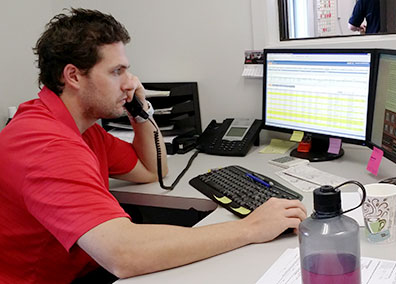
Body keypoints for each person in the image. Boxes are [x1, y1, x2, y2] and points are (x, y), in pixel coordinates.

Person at [0, 8, 307, 284]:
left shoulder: (82, 129)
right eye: (116, 71)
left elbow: (151, 170)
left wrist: (140, 111)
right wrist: (250, 229)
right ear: (73, 76)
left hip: (84, 265)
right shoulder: (44, 144)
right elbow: (122, 254)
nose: (129, 82)